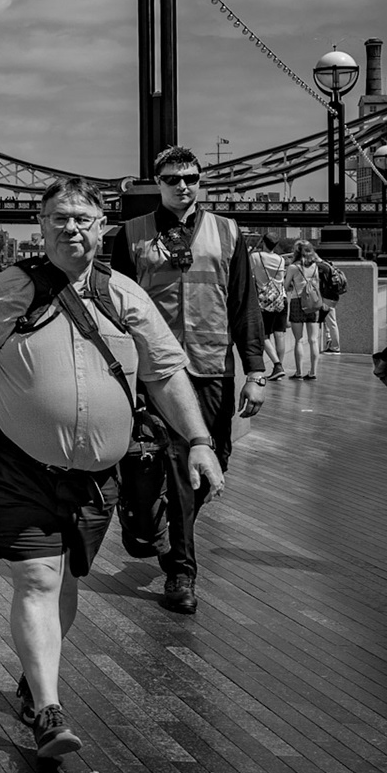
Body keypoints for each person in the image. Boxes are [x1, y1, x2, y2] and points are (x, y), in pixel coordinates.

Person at [0, 177, 224, 760]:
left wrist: (198, 439)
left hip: (97, 478)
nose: (72, 228)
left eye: (83, 219)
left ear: (102, 227)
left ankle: (32, 676)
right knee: (38, 580)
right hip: (20, 468)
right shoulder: (13, 288)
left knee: (66, 581)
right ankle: (48, 711)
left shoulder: (124, 295)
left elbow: (166, 374)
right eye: (59, 219)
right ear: (41, 228)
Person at [107, 146, 266, 615]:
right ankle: (181, 570)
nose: (183, 185)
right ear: (158, 181)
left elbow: (245, 304)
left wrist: (256, 372)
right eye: (173, 178)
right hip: (157, 371)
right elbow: (113, 307)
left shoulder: (228, 232)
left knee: (215, 463)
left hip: (214, 365)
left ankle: (162, 526)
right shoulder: (130, 236)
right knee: (177, 462)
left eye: (192, 177)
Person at [283, 240, 330, 377]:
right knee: (313, 340)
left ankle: (299, 372)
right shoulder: (316, 266)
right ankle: (313, 372)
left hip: (298, 303)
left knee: (299, 340)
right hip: (314, 304)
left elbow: (286, 286)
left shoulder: (293, 268)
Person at [251, 234, 291, 381]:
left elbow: (249, 275)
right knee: (279, 334)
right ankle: (278, 370)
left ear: (263, 242)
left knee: (263, 335)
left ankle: (277, 365)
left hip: (264, 301)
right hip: (281, 299)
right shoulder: (281, 260)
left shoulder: (256, 257)